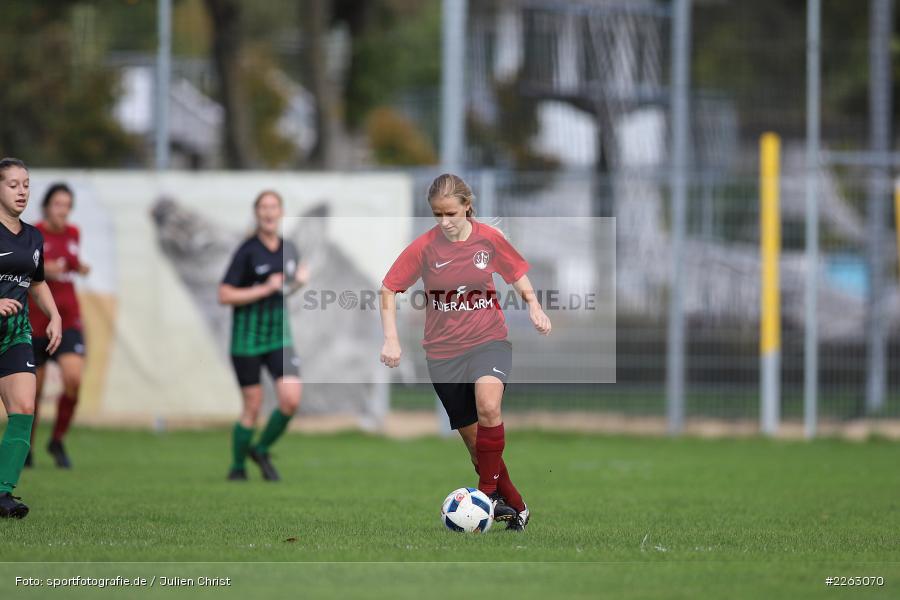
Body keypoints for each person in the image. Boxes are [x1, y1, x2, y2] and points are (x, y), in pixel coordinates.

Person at [380, 173, 551, 531]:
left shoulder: (489, 240)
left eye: (451, 214)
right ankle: (517, 506)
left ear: (467, 206)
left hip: (488, 341)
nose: (444, 222)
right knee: (478, 451)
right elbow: (387, 289)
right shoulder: (425, 247)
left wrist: (534, 304)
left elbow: (515, 272)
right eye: (437, 215)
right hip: (442, 356)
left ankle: (485, 496)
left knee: (490, 406)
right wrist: (391, 339)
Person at [218, 190, 308, 482]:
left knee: (291, 399)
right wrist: (264, 288)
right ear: (256, 213)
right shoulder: (247, 251)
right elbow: (224, 294)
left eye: (274, 207)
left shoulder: (290, 248)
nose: (269, 213)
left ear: (281, 212)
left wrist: (298, 284)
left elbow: (284, 287)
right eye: (263, 208)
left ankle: (261, 448)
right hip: (247, 339)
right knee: (252, 406)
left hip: (279, 336)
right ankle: (237, 468)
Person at [0, 158, 62, 519]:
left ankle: (3, 493)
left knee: (24, 408)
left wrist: (54, 315)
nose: (22, 191)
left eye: (26, 184)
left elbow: (37, 283)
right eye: (13, 184)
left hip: (15, 335)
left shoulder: (34, 236)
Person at [26, 183, 89, 469]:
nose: (63, 211)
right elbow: (24, 268)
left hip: (67, 320)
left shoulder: (74, 232)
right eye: (58, 204)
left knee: (74, 379)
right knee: (32, 393)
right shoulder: (33, 233)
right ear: (47, 206)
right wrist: (44, 269)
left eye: (67, 205)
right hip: (37, 322)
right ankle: (26, 447)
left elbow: (71, 264)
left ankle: (58, 439)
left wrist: (81, 266)